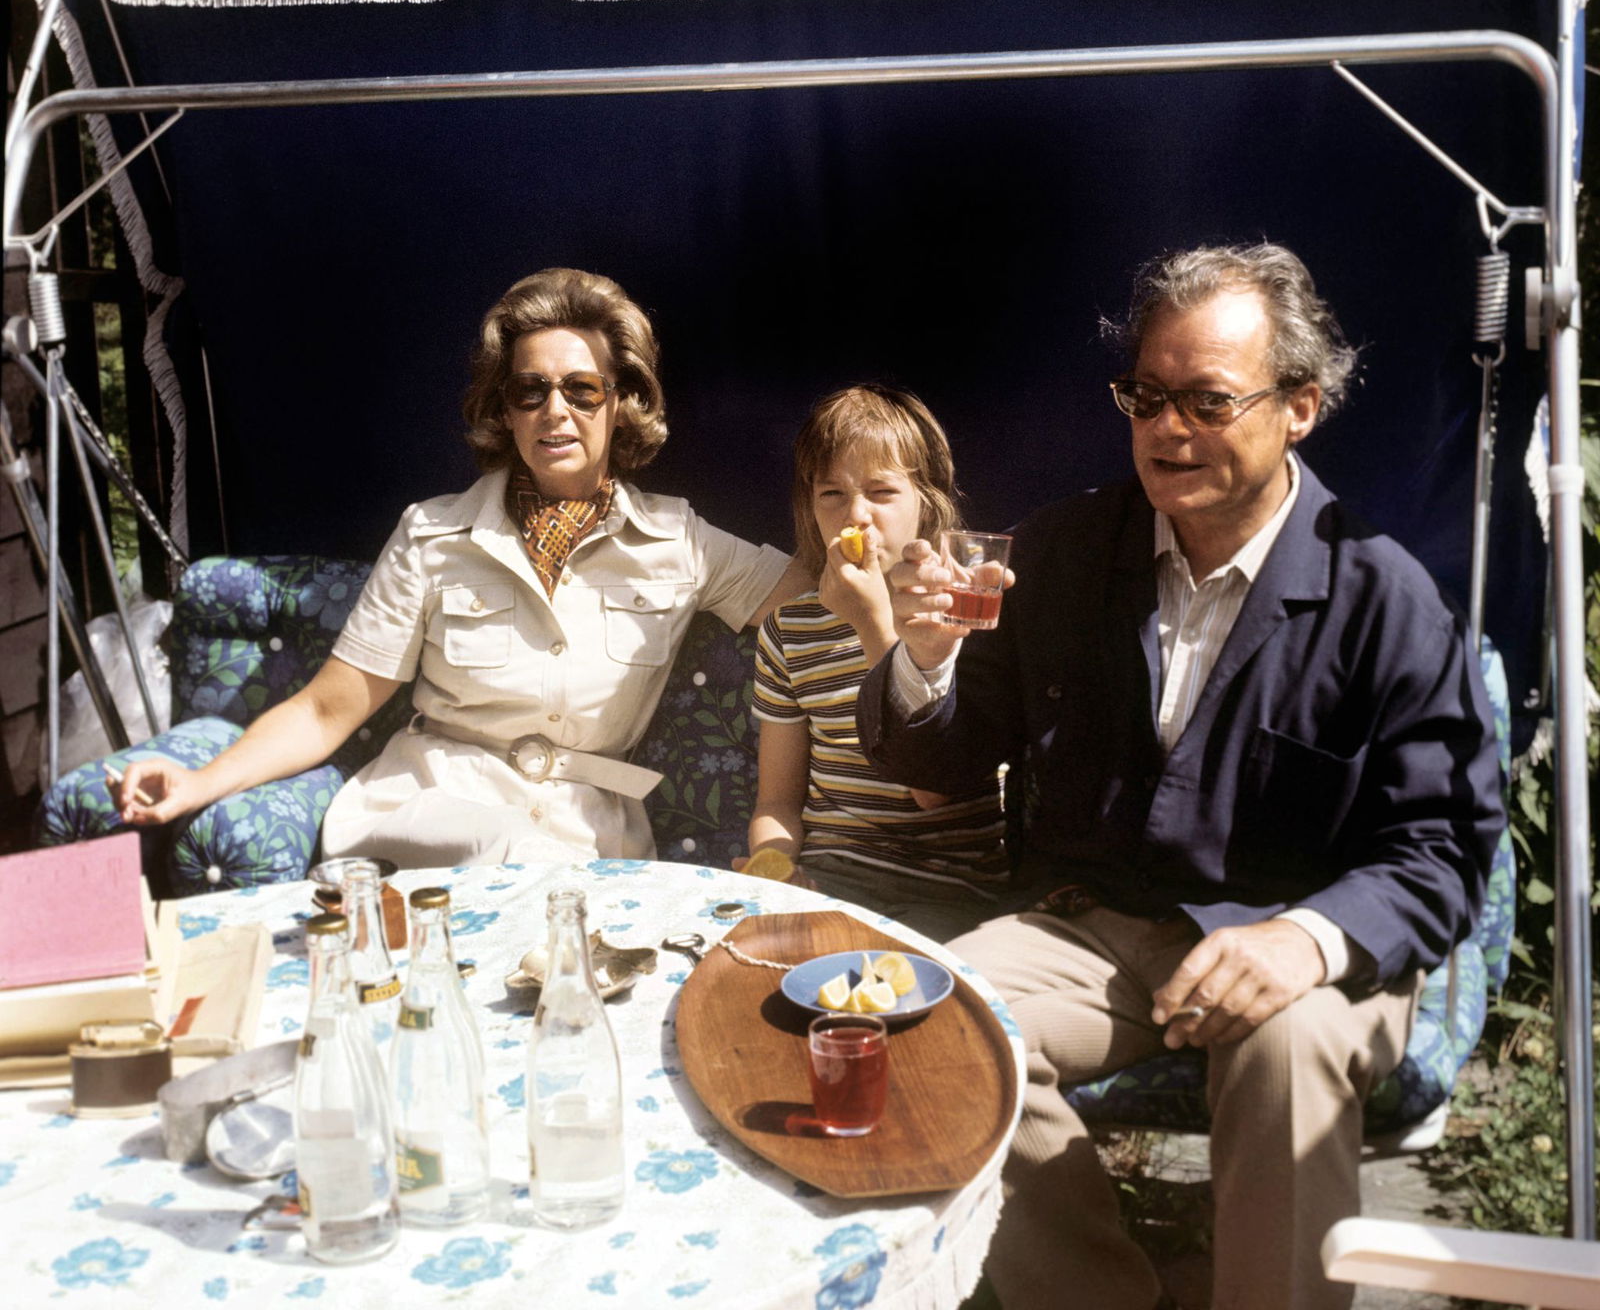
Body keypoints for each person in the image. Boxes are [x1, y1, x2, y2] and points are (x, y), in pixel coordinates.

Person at [857, 244, 1504, 1310]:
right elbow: (948, 754)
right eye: (1146, 395)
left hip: (1305, 932)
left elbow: (1440, 846)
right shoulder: (1065, 549)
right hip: (1098, 925)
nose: (1167, 429)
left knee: (1284, 1049)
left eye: (1206, 400)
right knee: (931, 1021)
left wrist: (1307, 938)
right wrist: (923, 661)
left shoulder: (1381, 592)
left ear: (1298, 406)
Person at [115, 268, 807, 865]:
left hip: (586, 839)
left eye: (581, 390)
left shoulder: (677, 540)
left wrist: (896, 592)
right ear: (504, 412)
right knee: (510, 862)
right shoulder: (432, 534)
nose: (554, 411)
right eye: (529, 391)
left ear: (620, 402)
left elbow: (814, 604)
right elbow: (327, 710)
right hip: (431, 816)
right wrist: (197, 782)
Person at [743, 385, 1008, 941]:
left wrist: (872, 625)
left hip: (950, 890)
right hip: (831, 879)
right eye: (831, 493)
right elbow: (777, 802)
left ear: (926, 504)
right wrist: (777, 868)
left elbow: (932, 791)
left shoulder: (967, 612)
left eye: (882, 491)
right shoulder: (790, 632)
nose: (855, 516)